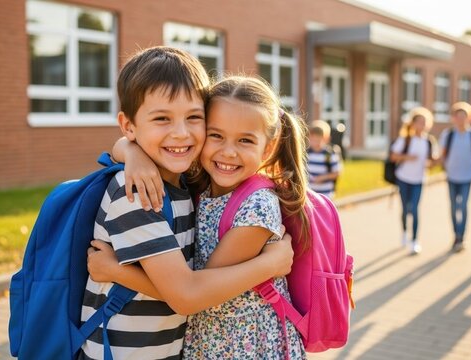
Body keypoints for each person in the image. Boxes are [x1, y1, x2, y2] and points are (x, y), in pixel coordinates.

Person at [78, 47, 294, 360]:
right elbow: (187, 295)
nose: (180, 133)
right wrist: (270, 265)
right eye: (162, 119)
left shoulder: (186, 181)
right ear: (129, 126)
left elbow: (191, 291)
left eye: (193, 118)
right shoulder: (137, 192)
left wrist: (132, 150)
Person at [438, 102, 471, 252]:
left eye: (464, 116)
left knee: (463, 206)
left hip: (467, 177)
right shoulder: (448, 134)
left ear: (470, 118)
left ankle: (462, 236)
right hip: (451, 177)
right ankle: (456, 235)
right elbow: (441, 156)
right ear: (453, 118)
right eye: (458, 116)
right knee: (454, 207)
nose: (461, 119)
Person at [389, 107, 437, 255]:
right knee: (405, 209)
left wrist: (432, 163)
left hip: (419, 180)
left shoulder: (428, 141)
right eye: (418, 122)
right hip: (403, 178)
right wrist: (407, 157)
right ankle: (404, 233)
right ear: (413, 123)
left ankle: (414, 240)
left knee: (415, 209)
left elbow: (432, 160)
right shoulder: (405, 139)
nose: (421, 125)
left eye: (424, 122)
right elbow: (393, 157)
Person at [307, 120, 342, 198]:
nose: (315, 141)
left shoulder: (329, 154)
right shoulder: (307, 153)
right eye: (313, 138)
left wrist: (322, 178)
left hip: (325, 194)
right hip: (310, 193)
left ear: (326, 139)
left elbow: (337, 172)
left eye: (318, 138)